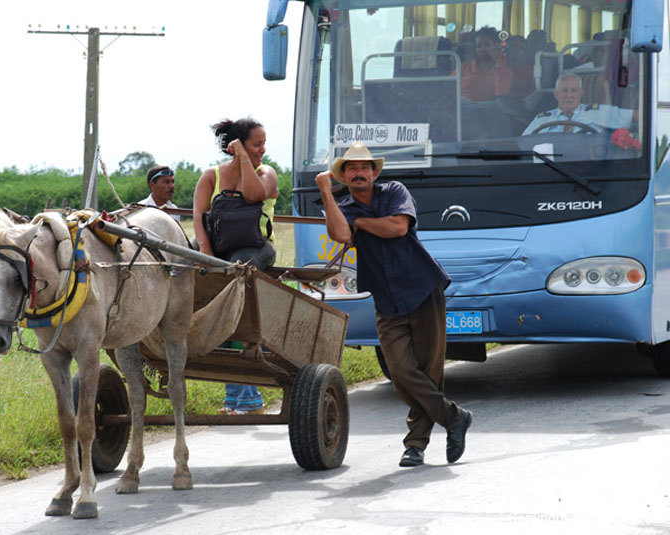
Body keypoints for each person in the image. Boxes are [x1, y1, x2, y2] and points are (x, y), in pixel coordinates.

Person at [314, 141, 472, 467]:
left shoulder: (394, 191)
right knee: (401, 374)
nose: (359, 173)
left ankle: (415, 444)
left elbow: (398, 227)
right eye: (352, 168)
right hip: (386, 298)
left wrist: (360, 223)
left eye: (364, 167)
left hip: (422, 289)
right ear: (342, 175)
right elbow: (340, 235)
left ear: (374, 172)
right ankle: (455, 417)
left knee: (429, 371)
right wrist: (327, 194)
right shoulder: (342, 205)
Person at [193, 117, 279, 415]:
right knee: (182, 261)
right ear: (237, 144)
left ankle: (247, 399)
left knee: (232, 282)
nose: (263, 150)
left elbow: (254, 195)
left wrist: (244, 157)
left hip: (256, 248)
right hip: (217, 249)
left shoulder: (266, 173)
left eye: (263, 144)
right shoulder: (210, 176)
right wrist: (204, 253)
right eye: (257, 144)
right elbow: (199, 217)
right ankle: (238, 399)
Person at [522, 73, 636, 135]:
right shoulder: (542, 119)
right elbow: (523, 145)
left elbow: (636, 116)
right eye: (564, 90)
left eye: (573, 90)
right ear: (556, 94)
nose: (569, 95)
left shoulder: (599, 113)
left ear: (581, 93)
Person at [458, 26, 513, 102]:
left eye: (487, 45)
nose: (483, 49)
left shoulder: (504, 71)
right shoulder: (463, 68)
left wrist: (498, 63)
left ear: (496, 46)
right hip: (461, 109)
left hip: (489, 110)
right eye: (479, 46)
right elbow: (449, 90)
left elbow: (501, 96)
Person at [505, 35, 535, 99]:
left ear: (525, 52)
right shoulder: (500, 68)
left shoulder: (531, 70)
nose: (516, 51)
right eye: (513, 47)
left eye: (521, 48)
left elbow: (533, 93)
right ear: (507, 50)